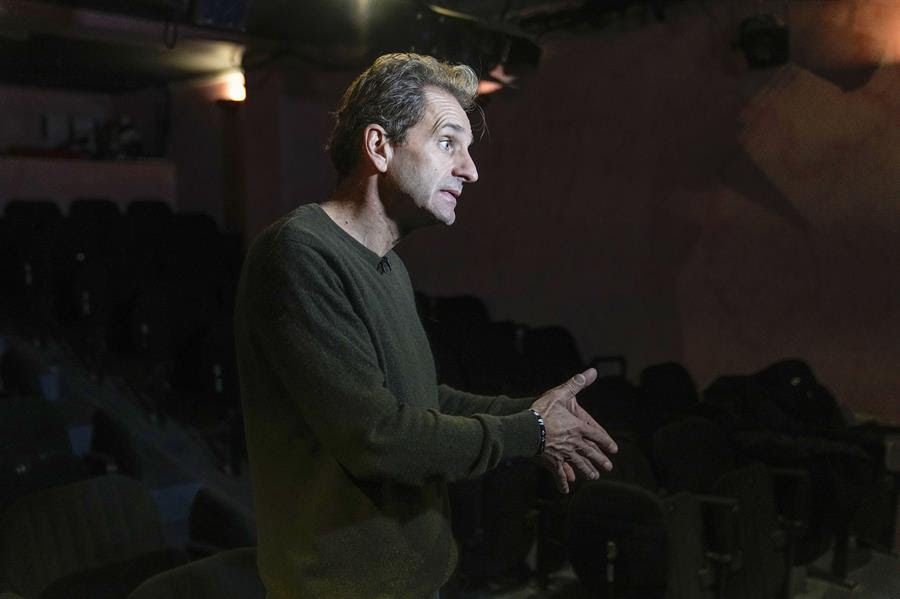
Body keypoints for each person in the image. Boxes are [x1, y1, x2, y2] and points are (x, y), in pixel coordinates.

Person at [234, 53, 617, 599]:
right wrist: (528, 433)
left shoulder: (388, 263)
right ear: (379, 147)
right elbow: (379, 438)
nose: (470, 168)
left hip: (416, 577)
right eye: (447, 142)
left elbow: (419, 402)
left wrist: (530, 412)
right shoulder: (298, 255)